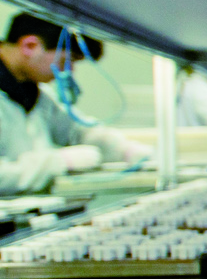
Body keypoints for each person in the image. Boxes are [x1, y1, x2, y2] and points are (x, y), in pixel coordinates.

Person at [0, 13, 152, 194]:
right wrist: (56, 162)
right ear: (30, 46)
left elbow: (77, 131)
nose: (70, 70)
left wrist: (123, 150)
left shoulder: (33, 93)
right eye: (66, 60)